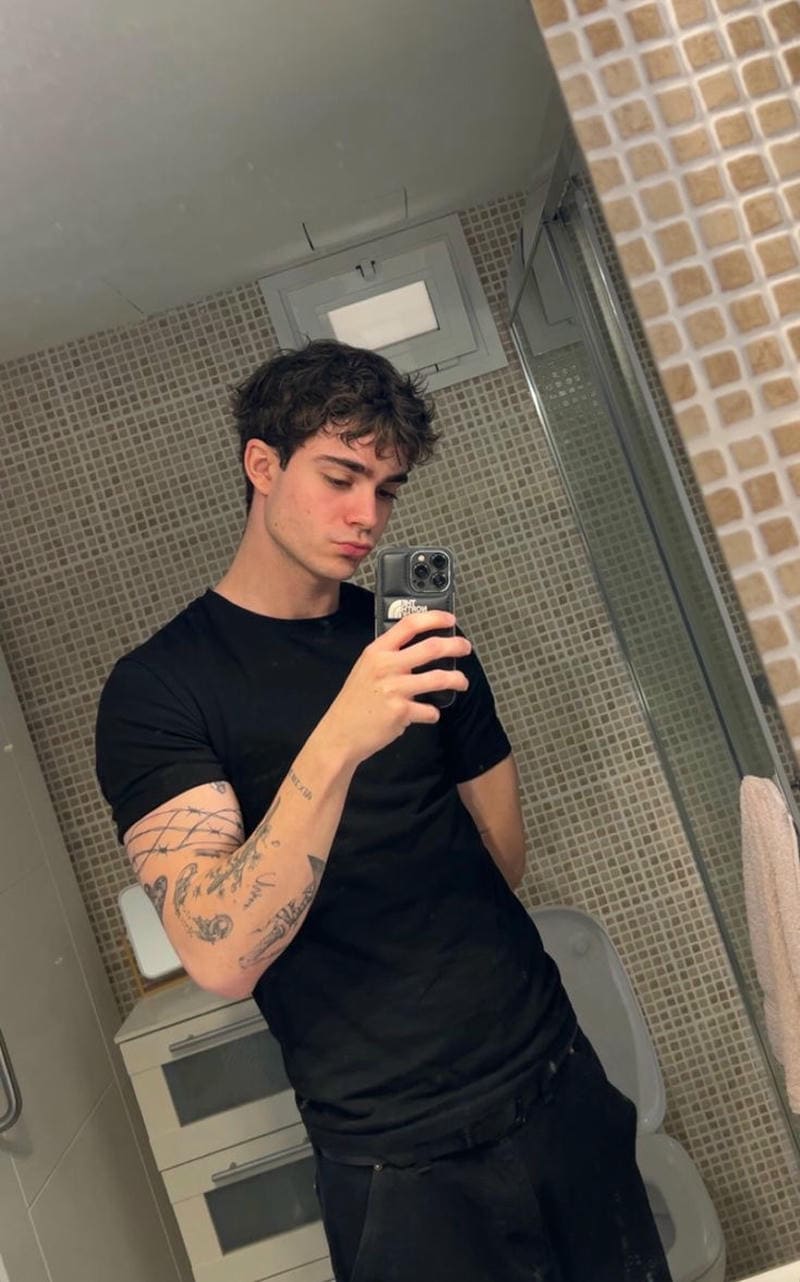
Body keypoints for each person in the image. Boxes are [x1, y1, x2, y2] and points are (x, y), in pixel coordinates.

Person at [95, 338, 670, 1282]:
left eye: (388, 489)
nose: (367, 516)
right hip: (397, 1160)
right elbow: (220, 955)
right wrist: (342, 737)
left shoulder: (416, 642)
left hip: (556, 1080)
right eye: (340, 477)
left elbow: (502, 857)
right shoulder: (160, 689)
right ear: (262, 465)